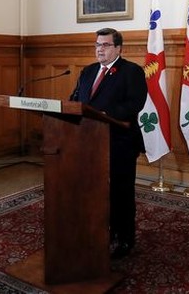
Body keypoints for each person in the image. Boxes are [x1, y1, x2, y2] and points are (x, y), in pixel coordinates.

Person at [69, 27, 147, 259]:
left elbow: (135, 103)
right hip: (89, 142)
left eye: (105, 45)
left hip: (120, 141)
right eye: (97, 45)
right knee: (93, 189)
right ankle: (99, 230)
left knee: (121, 192)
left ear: (118, 48)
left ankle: (124, 239)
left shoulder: (131, 71)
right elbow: (75, 100)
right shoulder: (88, 71)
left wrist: (105, 112)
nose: (99, 49)